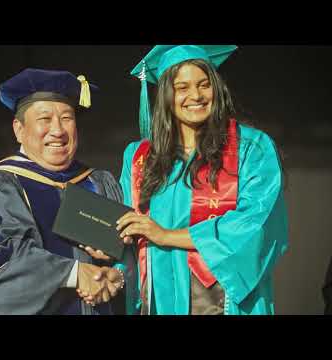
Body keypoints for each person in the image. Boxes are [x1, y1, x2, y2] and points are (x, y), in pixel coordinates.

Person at [81, 45, 289, 315]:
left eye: (204, 85)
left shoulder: (252, 148)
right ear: (166, 96)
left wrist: (166, 236)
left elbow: (254, 225)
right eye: (182, 88)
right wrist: (114, 268)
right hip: (157, 298)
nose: (196, 96)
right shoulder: (140, 157)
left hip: (225, 302)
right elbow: (131, 232)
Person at [0, 68, 125, 315]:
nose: (58, 131)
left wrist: (118, 275)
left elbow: (132, 256)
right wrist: (73, 273)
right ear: (19, 129)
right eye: (45, 119)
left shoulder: (99, 183)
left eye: (67, 118)